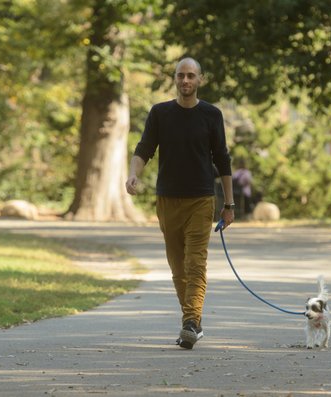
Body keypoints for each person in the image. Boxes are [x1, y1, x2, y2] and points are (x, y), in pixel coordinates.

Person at [125, 57, 235, 349]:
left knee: (196, 263)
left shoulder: (211, 115)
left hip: (201, 198)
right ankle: (194, 322)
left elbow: (222, 159)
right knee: (178, 268)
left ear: (200, 79)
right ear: (175, 79)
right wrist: (133, 175)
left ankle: (189, 322)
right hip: (168, 199)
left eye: (191, 76)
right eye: (180, 76)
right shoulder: (160, 113)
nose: (185, 81)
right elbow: (144, 149)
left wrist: (230, 204)